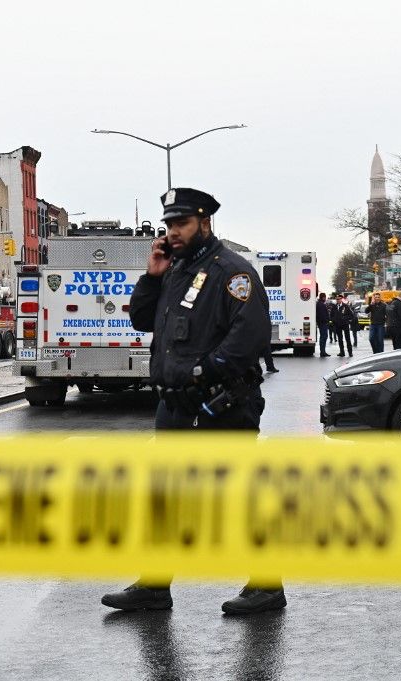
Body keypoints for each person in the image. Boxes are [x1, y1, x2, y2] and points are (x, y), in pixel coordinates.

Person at [101, 187, 283, 616]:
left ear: (205, 222)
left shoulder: (231, 272)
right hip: (176, 408)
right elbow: (142, 319)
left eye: (181, 223)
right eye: (168, 225)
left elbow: (251, 335)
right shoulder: (175, 269)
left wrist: (206, 372)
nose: (173, 232)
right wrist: (152, 275)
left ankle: (267, 585)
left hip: (219, 406)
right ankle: (154, 586)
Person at [315, 292, 331, 357]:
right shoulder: (321, 304)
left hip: (321, 323)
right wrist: (327, 320)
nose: (325, 298)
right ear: (323, 297)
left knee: (323, 337)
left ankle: (323, 351)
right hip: (323, 323)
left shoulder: (319, 304)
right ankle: (322, 352)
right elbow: (322, 315)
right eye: (325, 297)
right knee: (324, 337)